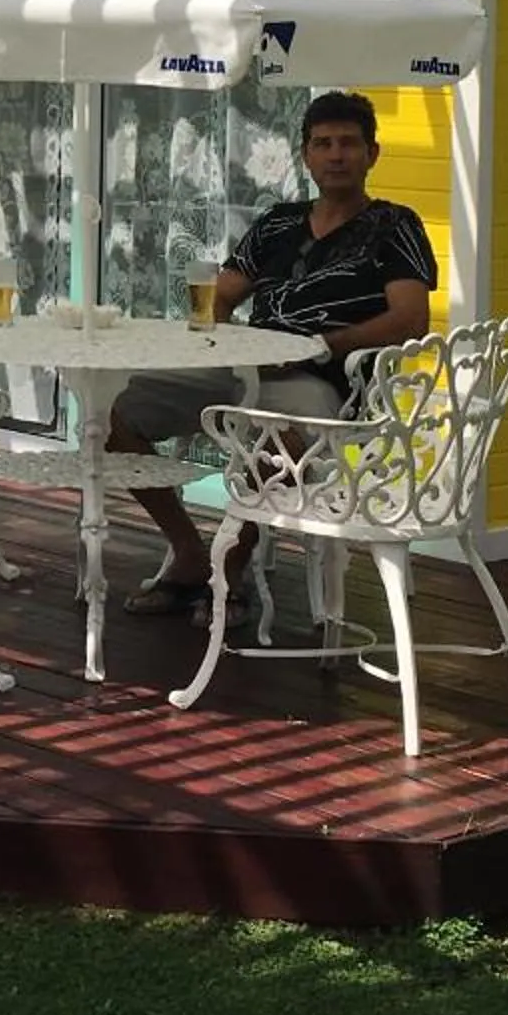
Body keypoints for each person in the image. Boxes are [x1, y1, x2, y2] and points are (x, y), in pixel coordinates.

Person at [107, 89, 437, 618]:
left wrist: (323, 343)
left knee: (274, 438)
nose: (336, 155)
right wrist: (216, 331)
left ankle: (232, 571)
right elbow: (222, 297)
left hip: (326, 379)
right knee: (114, 416)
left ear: (372, 154)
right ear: (305, 155)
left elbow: (409, 318)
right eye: (323, 144)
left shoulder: (395, 226)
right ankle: (190, 550)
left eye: (349, 144)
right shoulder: (278, 222)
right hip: (246, 365)